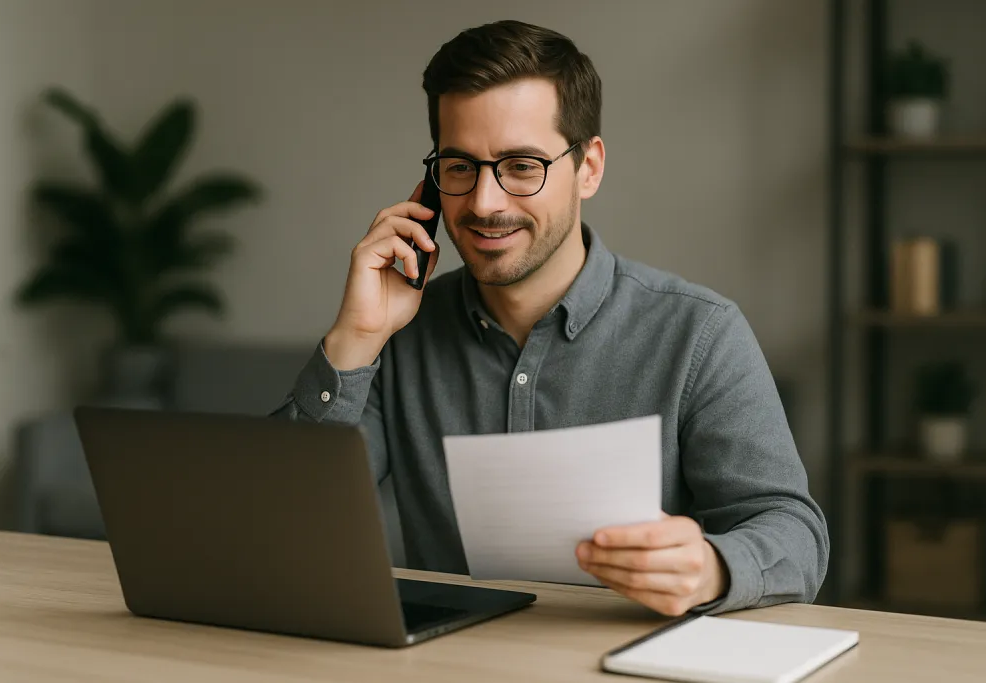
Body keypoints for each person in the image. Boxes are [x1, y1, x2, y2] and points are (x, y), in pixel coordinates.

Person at [272, 19, 828, 617]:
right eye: (460, 167)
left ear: (588, 167)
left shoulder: (699, 333)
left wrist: (714, 570)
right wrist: (355, 340)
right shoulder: (397, 337)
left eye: (521, 166)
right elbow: (278, 526)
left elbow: (793, 535)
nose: (485, 202)